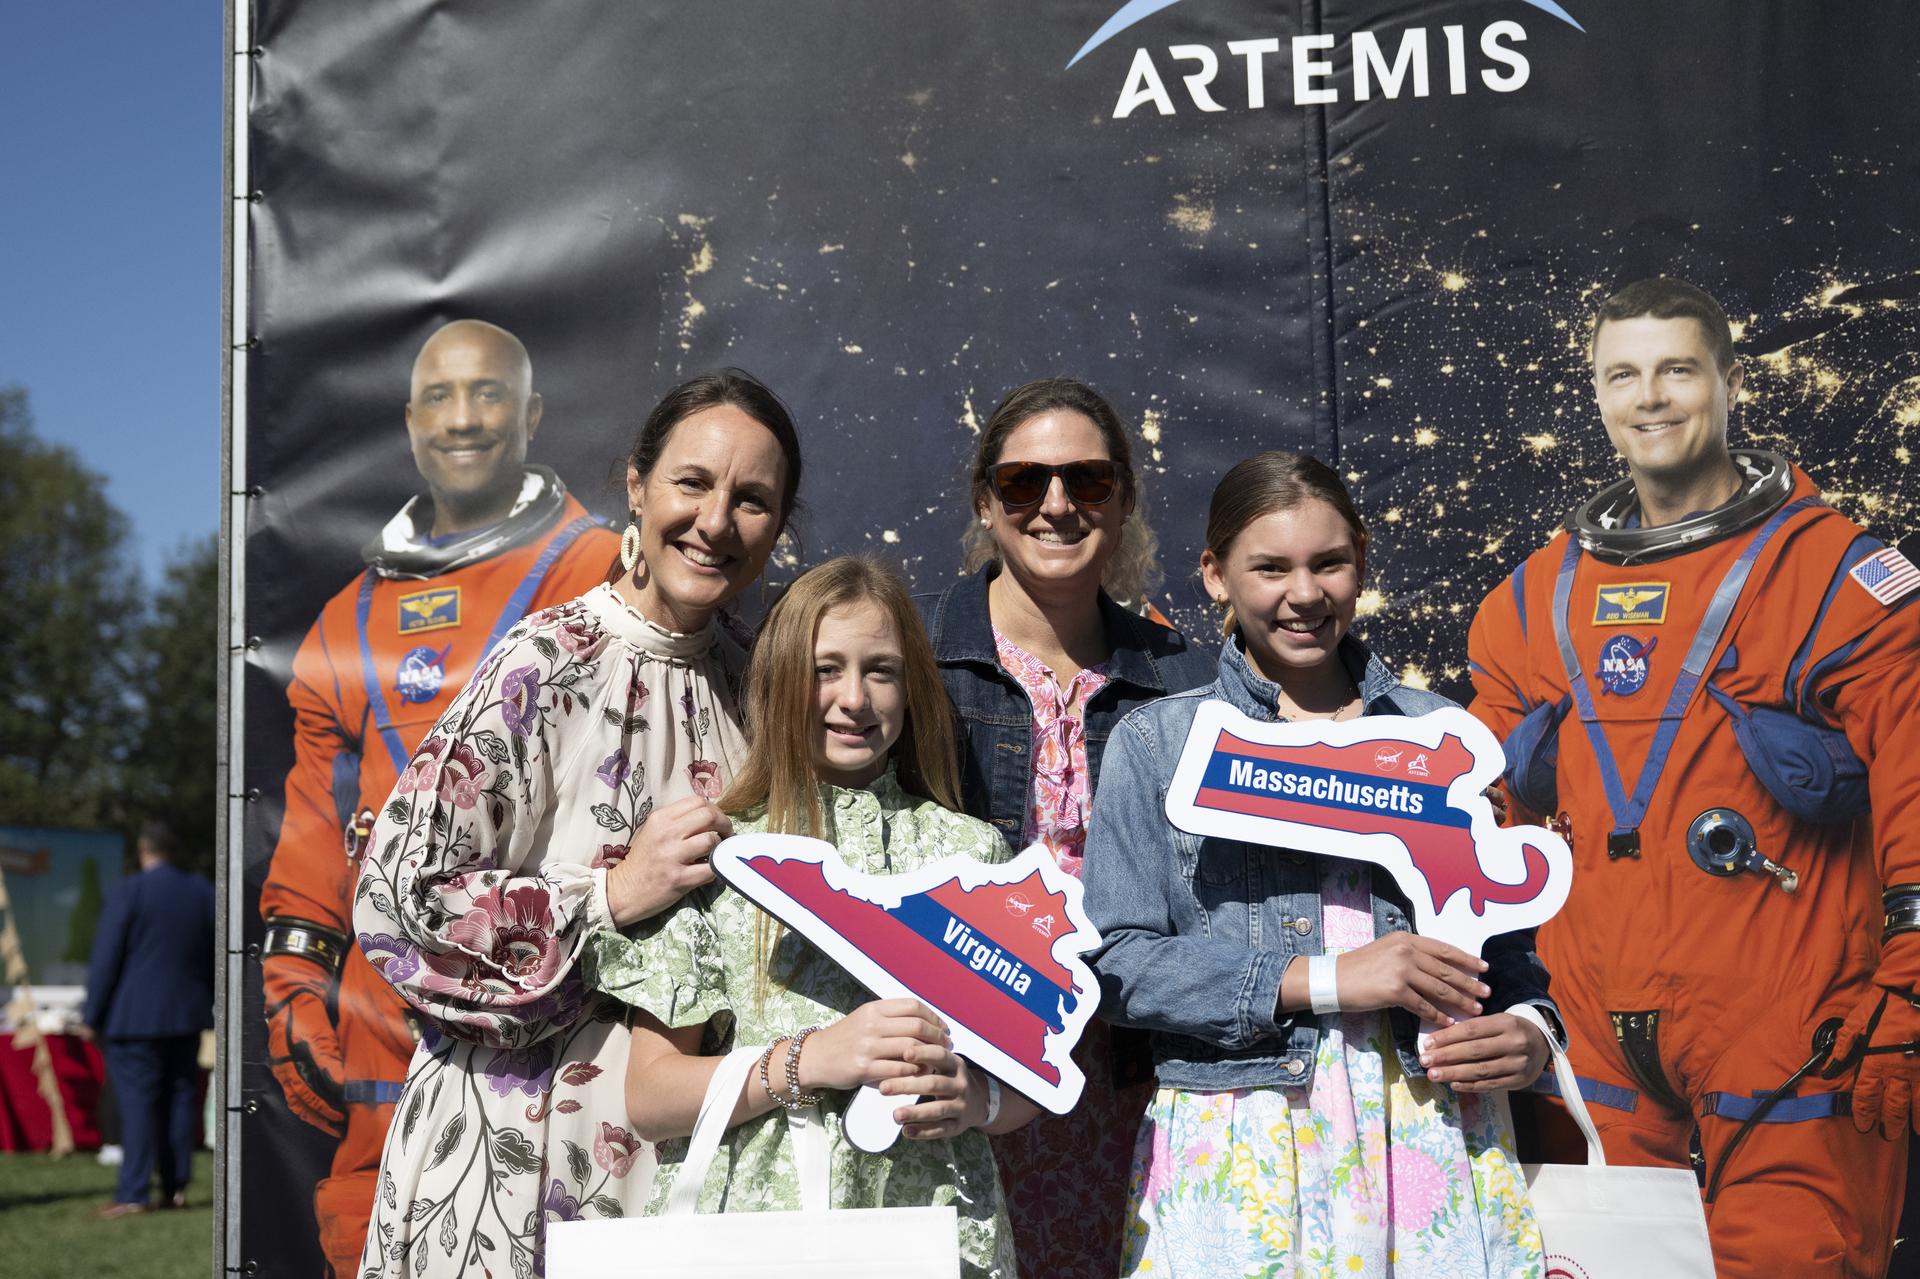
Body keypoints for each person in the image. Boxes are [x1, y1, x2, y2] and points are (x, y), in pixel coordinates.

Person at [1468, 277, 1920, 1275]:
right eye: (1624, 374)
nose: (1652, 397)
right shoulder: (1530, 602)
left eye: (1678, 368)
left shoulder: (1841, 581)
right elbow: (1477, 834)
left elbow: (1917, 789)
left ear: (1729, 380)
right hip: (1591, 1030)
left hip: (1790, 1024)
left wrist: (1914, 989)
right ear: (1596, 395)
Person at [350, 369, 803, 1278]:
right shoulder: (544, 663)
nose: (716, 521)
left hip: (690, 1170)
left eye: (752, 499)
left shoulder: (764, 688)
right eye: (692, 483)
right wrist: (609, 893)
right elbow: (396, 902)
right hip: (512, 1165)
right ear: (635, 485)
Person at [1084, 452, 1555, 1275]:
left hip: (1431, 1131)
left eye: (1328, 562)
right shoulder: (1158, 741)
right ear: (1216, 576)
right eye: (1270, 567)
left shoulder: (1439, 732)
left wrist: (1531, 1036)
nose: (1304, 594)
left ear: (1361, 561)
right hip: (1245, 1140)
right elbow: (1117, 967)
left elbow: (1506, 955)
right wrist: (1333, 977)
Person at [257, 319, 617, 1275]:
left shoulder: (598, 572)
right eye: (441, 398)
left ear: (533, 415)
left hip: (558, 998)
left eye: (489, 393)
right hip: (386, 1028)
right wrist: (295, 978)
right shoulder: (349, 620)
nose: (465, 419)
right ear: (411, 422)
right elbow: (314, 828)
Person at [589, 556, 1037, 1279]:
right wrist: (812, 1059)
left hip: (938, 1223)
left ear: (913, 686)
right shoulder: (724, 852)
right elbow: (649, 1095)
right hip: (753, 1232)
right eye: (825, 669)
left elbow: (1028, 1085)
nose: (854, 698)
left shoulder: (970, 854)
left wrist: (975, 1099)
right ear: (779, 681)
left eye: (881, 670)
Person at [914, 377, 1214, 1278]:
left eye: (1085, 481)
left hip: (1139, 1068)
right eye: (1023, 482)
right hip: (972, 1061)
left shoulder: (1184, 679)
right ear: (984, 501)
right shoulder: (917, 659)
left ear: (1121, 501)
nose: (1055, 504)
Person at [85, 822, 215, 1217]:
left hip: (134, 1018)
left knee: (138, 1104)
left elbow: (107, 957)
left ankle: (134, 1192)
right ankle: (175, 1188)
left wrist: (92, 1013)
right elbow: (215, 953)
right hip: (187, 1014)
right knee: (179, 1098)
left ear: (143, 851)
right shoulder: (202, 891)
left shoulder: (130, 890)